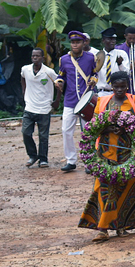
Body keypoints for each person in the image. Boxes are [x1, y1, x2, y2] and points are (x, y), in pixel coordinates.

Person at [79, 71, 135, 241]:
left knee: (128, 188)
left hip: (130, 153)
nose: (120, 89)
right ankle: (103, 229)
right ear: (111, 86)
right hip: (106, 153)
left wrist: (126, 127)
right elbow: (94, 124)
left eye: (123, 86)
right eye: (116, 87)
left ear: (127, 85)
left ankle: (122, 226)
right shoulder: (103, 101)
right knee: (104, 189)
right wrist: (108, 128)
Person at [55, 31, 97, 172]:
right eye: (73, 42)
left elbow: (95, 73)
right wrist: (59, 82)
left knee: (88, 131)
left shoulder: (91, 58)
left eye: (78, 42)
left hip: (86, 100)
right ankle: (71, 160)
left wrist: (93, 80)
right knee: (66, 130)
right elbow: (60, 75)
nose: (75, 44)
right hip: (70, 100)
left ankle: (89, 161)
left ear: (83, 43)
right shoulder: (64, 59)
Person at [21, 48, 60, 168]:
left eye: (38, 56)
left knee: (43, 136)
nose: (35, 58)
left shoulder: (49, 72)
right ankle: (33, 155)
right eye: (33, 56)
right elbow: (22, 79)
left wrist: (57, 101)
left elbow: (59, 84)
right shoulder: (25, 69)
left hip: (44, 108)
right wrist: (24, 93)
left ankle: (43, 159)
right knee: (26, 133)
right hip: (30, 107)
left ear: (43, 58)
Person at [94, 27, 130, 97]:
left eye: (114, 39)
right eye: (109, 39)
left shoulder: (121, 54)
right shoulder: (98, 55)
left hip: (117, 93)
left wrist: (120, 64)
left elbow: (127, 73)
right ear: (103, 40)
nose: (112, 41)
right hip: (102, 92)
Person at [116, 26, 135, 97]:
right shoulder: (118, 49)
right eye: (130, 38)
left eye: (134, 39)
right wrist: (129, 67)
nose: (132, 41)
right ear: (125, 36)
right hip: (123, 83)